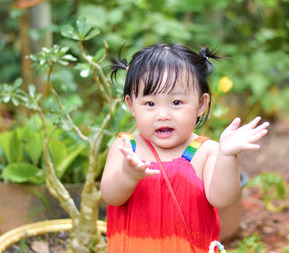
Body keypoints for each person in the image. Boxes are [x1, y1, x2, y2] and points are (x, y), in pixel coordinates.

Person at [100, 43, 269, 253]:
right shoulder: (127, 147)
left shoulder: (205, 151)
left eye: (176, 102)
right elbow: (110, 196)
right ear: (131, 105)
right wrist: (128, 174)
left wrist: (227, 156)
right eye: (150, 104)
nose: (163, 115)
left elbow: (223, 199)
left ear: (200, 104)